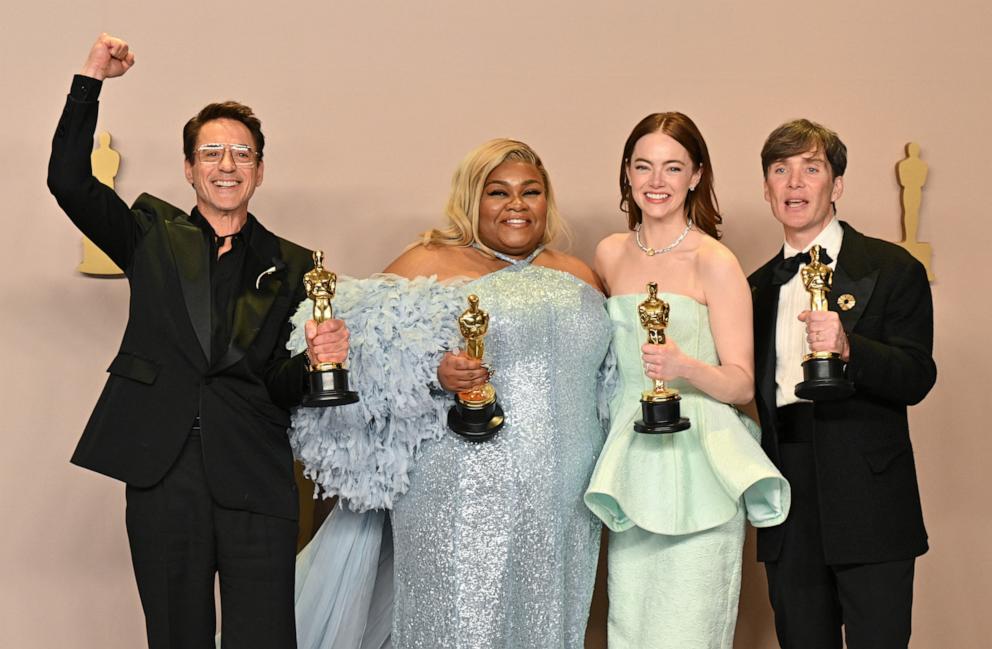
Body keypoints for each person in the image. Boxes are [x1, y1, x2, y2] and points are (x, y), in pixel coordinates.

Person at [47, 33, 349, 649]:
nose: (227, 164)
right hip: (164, 467)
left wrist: (318, 362)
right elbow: (68, 180)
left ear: (260, 170)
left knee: (263, 637)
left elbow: (280, 384)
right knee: (175, 635)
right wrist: (91, 80)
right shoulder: (149, 234)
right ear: (189, 168)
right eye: (212, 152)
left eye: (242, 153)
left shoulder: (296, 264)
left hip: (255, 472)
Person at [288, 139, 611, 648]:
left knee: (551, 623)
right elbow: (353, 348)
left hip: (564, 493)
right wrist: (434, 372)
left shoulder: (578, 273)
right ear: (470, 199)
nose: (517, 205)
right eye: (497, 192)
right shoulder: (431, 258)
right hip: (459, 485)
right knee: (459, 625)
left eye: (531, 191)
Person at [583, 112, 790, 649]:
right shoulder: (608, 254)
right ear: (627, 173)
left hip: (701, 454)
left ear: (696, 176)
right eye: (644, 166)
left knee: (690, 627)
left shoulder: (715, 261)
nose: (657, 181)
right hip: (634, 455)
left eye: (673, 167)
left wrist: (684, 366)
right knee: (631, 623)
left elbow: (742, 384)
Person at [748, 119, 936, 649]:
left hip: (871, 495)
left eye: (811, 169)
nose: (795, 184)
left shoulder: (891, 267)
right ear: (766, 189)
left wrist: (851, 349)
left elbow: (918, 375)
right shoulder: (755, 289)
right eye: (781, 171)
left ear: (837, 185)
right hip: (787, 499)